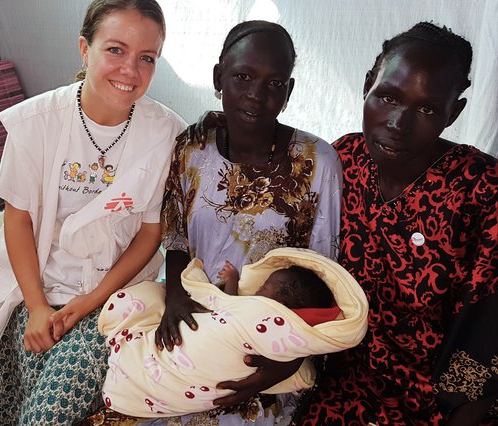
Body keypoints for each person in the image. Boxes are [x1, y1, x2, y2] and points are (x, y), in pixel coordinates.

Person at [0, 0, 186, 424]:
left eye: (147, 58)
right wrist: (38, 307)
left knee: (48, 409)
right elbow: (19, 218)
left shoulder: (166, 133)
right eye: (115, 50)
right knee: (32, 361)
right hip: (37, 283)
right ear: (85, 49)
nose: (130, 71)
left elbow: (148, 234)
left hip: (114, 292)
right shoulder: (36, 123)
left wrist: (87, 304)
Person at [298, 22, 498, 425]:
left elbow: (488, 332)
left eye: (426, 109)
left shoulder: (482, 189)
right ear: (368, 83)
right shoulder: (343, 160)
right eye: (388, 96)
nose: (398, 123)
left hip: (439, 402)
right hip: (339, 382)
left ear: (453, 111)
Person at [157, 20, 343, 425]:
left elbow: (322, 272)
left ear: (289, 92)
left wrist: (283, 363)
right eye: (242, 77)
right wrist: (174, 297)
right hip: (197, 314)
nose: (257, 95)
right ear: (218, 77)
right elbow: (174, 237)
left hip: (274, 340)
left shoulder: (317, 163)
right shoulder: (192, 147)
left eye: (275, 83)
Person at [96, 248, 366, 418]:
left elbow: (229, 305)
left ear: (287, 299)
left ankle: (131, 376)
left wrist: (289, 361)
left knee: (141, 300)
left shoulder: (264, 316)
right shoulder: (255, 310)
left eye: (267, 286)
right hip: (185, 323)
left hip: (207, 382)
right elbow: (227, 305)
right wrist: (182, 296)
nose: (259, 288)